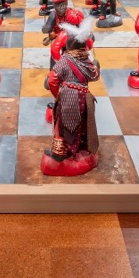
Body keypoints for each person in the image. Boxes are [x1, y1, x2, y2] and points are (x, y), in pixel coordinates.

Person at [43, 18, 101, 176]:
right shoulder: (87, 62)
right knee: (83, 125)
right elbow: (95, 76)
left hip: (67, 97)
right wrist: (96, 65)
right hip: (85, 98)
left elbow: (52, 79)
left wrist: (58, 95)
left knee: (61, 126)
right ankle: (81, 147)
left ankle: (60, 152)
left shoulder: (64, 60)